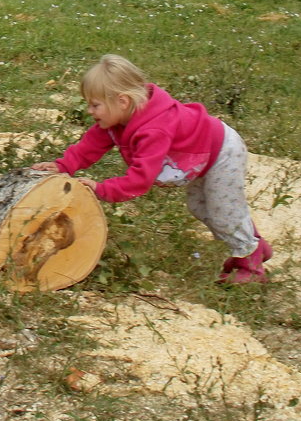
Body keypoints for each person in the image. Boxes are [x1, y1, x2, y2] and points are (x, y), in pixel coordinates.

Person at [31, 54, 273, 283]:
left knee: (224, 212)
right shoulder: (117, 120)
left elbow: (140, 179)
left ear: (122, 101)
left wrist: (102, 189)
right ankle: (254, 245)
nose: (89, 111)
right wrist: (63, 166)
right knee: (199, 207)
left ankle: (250, 264)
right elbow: (90, 145)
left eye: (95, 105)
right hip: (204, 156)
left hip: (222, 153)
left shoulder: (154, 130)